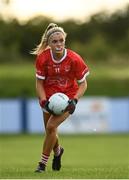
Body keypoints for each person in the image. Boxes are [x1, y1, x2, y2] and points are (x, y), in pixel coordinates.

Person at [31, 23, 89, 172]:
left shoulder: (74, 58)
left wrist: (74, 101)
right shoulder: (43, 58)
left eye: (61, 40)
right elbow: (39, 83)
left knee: (51, 127)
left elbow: (83, 84)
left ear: (65, 40)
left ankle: (42, 164)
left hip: (67, 99)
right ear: (48, 43)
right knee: (50, 131)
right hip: (48, 98)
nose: (58, 44)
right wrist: (43, 101)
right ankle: (58, 152)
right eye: (54, 41)